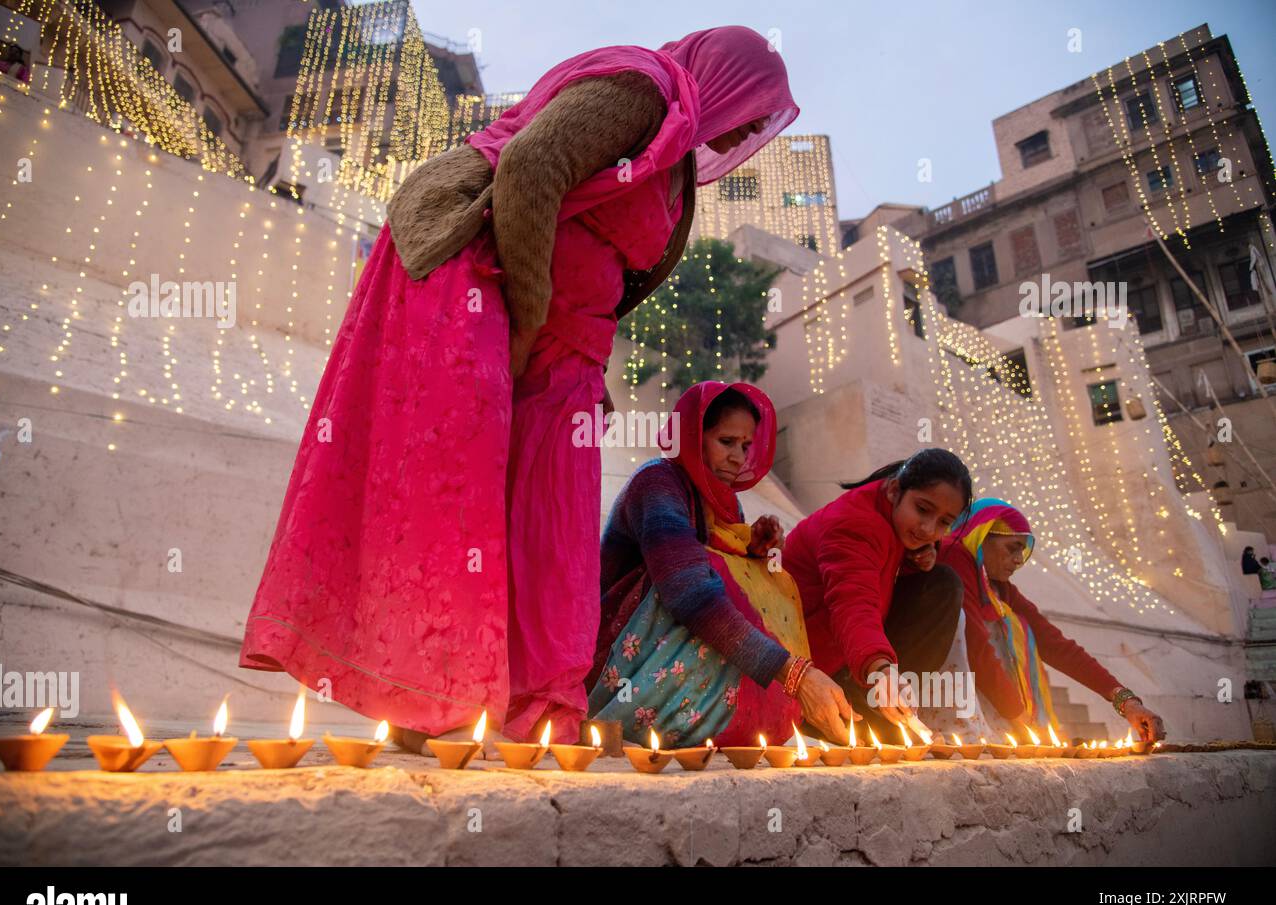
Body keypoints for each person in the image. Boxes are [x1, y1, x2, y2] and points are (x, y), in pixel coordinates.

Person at [239, 26, 800, 753]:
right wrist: (529, 323)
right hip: (474, 284)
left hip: (560, 347)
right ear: (728, 77)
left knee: (551, 525)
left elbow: (606, 262)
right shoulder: (642, 89)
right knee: (455, 502)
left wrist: (579, 356)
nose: (752, 128)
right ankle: (433, 705)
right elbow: (532, 167)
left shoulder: (674, 155)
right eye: (756, 108)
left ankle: (520, 708)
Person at [586, 382, 856, 748]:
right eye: (726, 442)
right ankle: (647, 720)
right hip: (615, 654)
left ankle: (719, 722)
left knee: (748, 577)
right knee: (712, 583)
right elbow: (688, 591)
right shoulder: (658, 482)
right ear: (692, 436)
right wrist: (794, 675)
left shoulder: (722, 504)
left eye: (745, 446)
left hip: (677, 630)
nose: (738, 457)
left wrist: (752, 553)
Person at [939, 498, 1167, 745]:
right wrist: (1022, 722)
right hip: (942, 697)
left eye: (1022, 551)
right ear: (981, 536)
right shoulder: (953, 554)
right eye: (1012, 548)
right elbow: (975, 647)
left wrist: (1125, 701)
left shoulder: (997, 587)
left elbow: (1055, 644)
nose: (1018, 559)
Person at [782, 449, 972, 743]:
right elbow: (853, 602)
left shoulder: (892, 520)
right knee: (942, 586)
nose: (928, 529)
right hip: (809, 667)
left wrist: (911, 561)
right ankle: (865, 706)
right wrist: (880, 669)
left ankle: (889, 706)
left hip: (849, 654)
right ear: (895, 489)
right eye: (923, 509)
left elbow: (876, 578)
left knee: (940, 584)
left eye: (944, 522)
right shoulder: (854, 522)